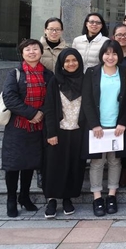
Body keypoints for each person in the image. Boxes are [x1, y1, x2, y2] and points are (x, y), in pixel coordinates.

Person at [1, 39, 53, 217]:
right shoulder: (15, 73)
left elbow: (52, 99)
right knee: (13, 164)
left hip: (38, 126)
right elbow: (10, 98)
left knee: (30, 164)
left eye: (35, 49)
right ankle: (11, 199)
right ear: (22, 53)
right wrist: (31, 113)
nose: (32, 52)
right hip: (18, 126)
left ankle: (24, 196)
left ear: (41, 52)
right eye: (27, 49)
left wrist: (41, 113)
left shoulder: (48, 74)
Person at [81, 40, 126, 217]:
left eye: (114, 53)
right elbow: (87, 100)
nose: (110, 57)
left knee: (115, 161)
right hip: (98, 126)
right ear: (102, 55)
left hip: (117, 126)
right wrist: (94, 124)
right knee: (97, 162)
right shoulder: (92, 72)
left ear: (119, 55)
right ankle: (97, 197)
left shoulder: (124, 72)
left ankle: (111, 195)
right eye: (107, 53)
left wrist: (123, 122)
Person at [42, 48, 87, 219]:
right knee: (54, 167)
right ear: (61, 64)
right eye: (67, 61)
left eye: (74, 60)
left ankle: (68, 198)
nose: (71, 64)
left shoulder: (85, 80)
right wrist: (51, 133)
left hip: (78, 132)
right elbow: (49, 108)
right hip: (58, 132)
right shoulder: (55, 81)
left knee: (74, 166)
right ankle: (52, 200)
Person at [112, 24, 126, 188]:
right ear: (114, 36)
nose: (122, 37)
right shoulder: (110, 55)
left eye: (125, 34)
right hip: (112, 101)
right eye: (119, 34)